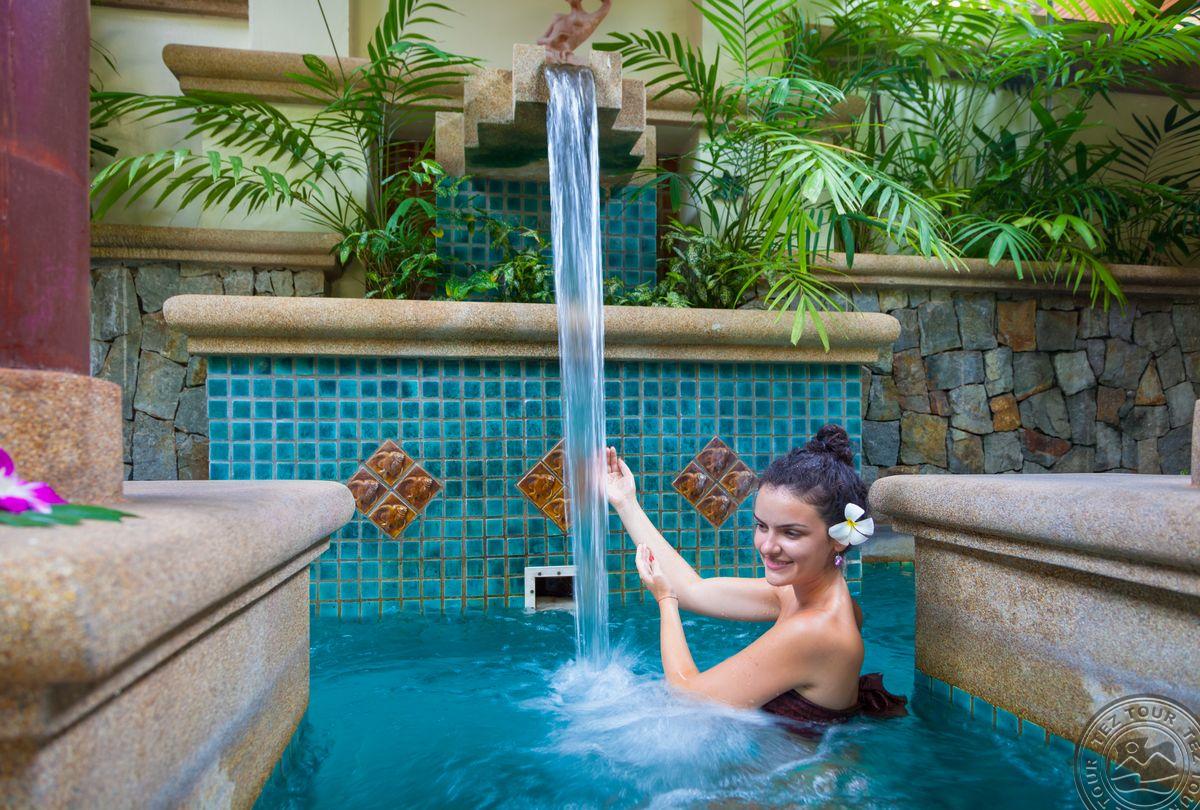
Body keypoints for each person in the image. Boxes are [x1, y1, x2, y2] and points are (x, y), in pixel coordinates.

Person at [604, 424, 907, 734]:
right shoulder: (808, 596)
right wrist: (626, 502)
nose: (767, 546)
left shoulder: (816, 631)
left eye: (791, 533)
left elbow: (690, 702)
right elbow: (692, 590)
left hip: (798, 767)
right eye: (762, 526)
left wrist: (665, 601)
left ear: (839, 539)